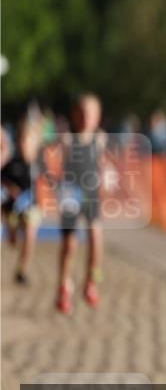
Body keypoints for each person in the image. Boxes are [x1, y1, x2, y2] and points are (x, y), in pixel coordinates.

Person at [54, 93, 107, 314]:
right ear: (76, 115)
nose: (86, 118)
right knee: (70, 245)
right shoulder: (67, 139)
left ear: (98, 116)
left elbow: (101, 164)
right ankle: (64, 287)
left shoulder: (100, 139)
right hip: (70, 193)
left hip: (91, 193)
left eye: (91, 113)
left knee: (96, 238)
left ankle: (91, 281)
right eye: (82, 113)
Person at [1, 118, 43, 284]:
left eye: (30, 141)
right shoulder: (11, 163)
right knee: (13, 241)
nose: (25, 145)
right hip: (12, 208)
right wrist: (10, 189)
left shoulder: (39, 163)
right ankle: (11, 235)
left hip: (31, 207)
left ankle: (22, 270)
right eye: (23, 141)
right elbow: (2, 181)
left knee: (31, 235)